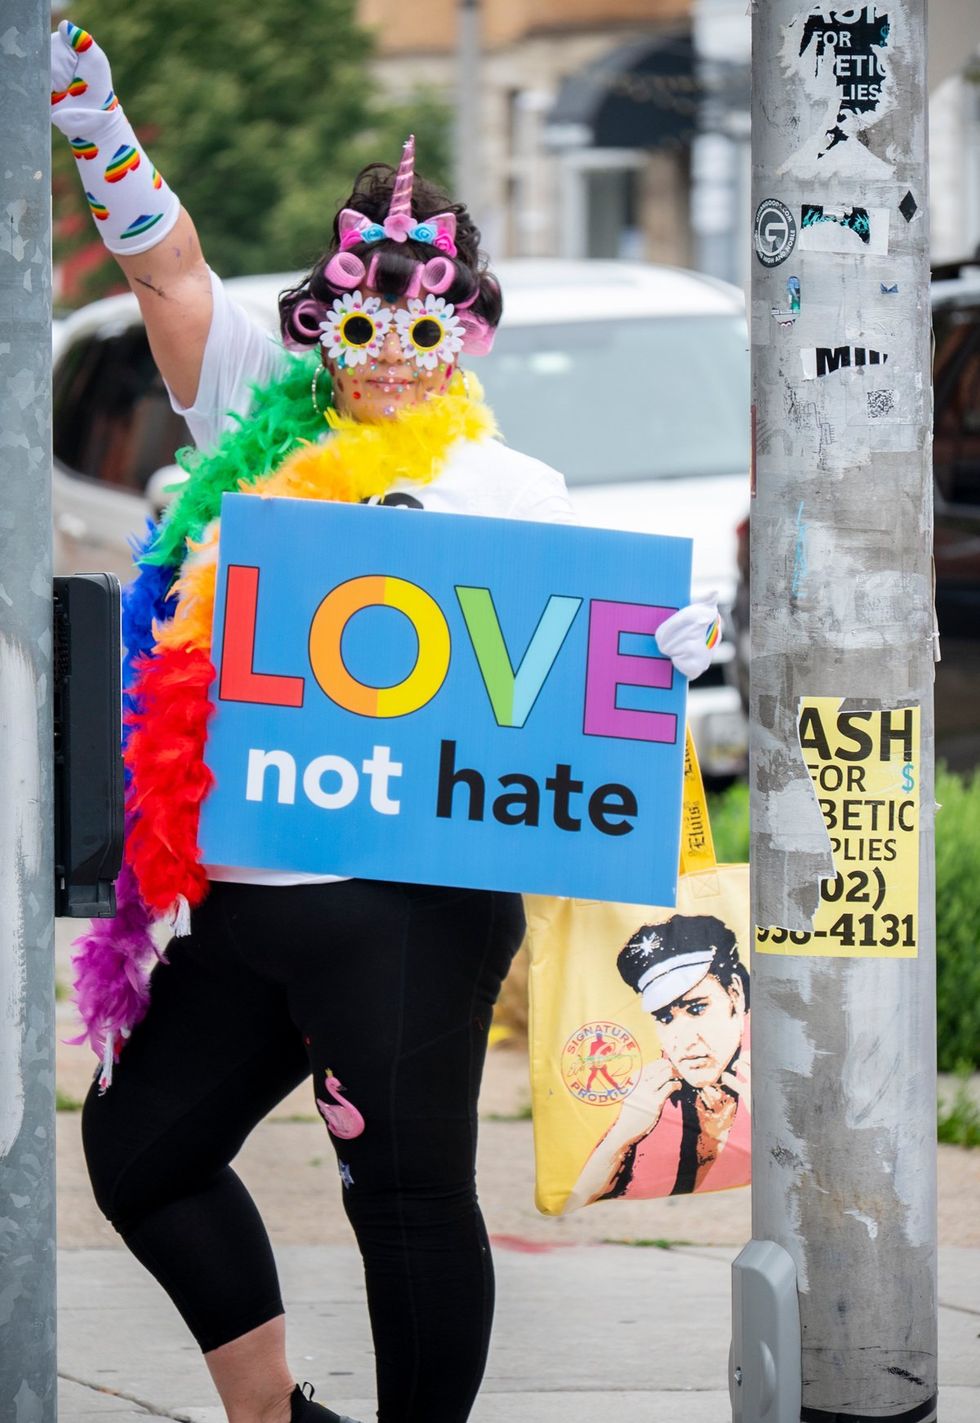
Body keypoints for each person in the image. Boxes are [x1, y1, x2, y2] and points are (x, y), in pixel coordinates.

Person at [50, 20, 721, 1423]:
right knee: (140, 1145)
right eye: (366, 323)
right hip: (247, 895)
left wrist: (658, 656)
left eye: (428, 328)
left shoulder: (512, 487)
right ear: (321, 320)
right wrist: (93, 121)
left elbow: (576, 683)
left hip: (411, 907)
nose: (395, 356)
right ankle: (272, 1412)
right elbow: (163, 263)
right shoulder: (254, 408)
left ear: (465, 331)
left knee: (403, 1195)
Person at [567, 914, 750, 1209]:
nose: (682, 1040)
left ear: (736, 994)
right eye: (664, 1017)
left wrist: (780, 1124)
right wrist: (623, 1135)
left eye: (697, 1008)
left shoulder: (778, 1058)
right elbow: (570, 1200)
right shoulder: (656, 1094)